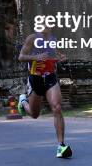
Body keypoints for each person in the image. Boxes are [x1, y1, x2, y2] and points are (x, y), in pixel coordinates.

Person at [18, 28, 72, 159]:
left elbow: (56, 54)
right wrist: (35, 57)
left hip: (50, 78)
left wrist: (61, 57)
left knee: (57, 107)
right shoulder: (32, 39)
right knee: (34, 114)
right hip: (35, 79)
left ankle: (61, 145)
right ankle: (23, 102)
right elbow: (21, 57)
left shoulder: (54, 39)